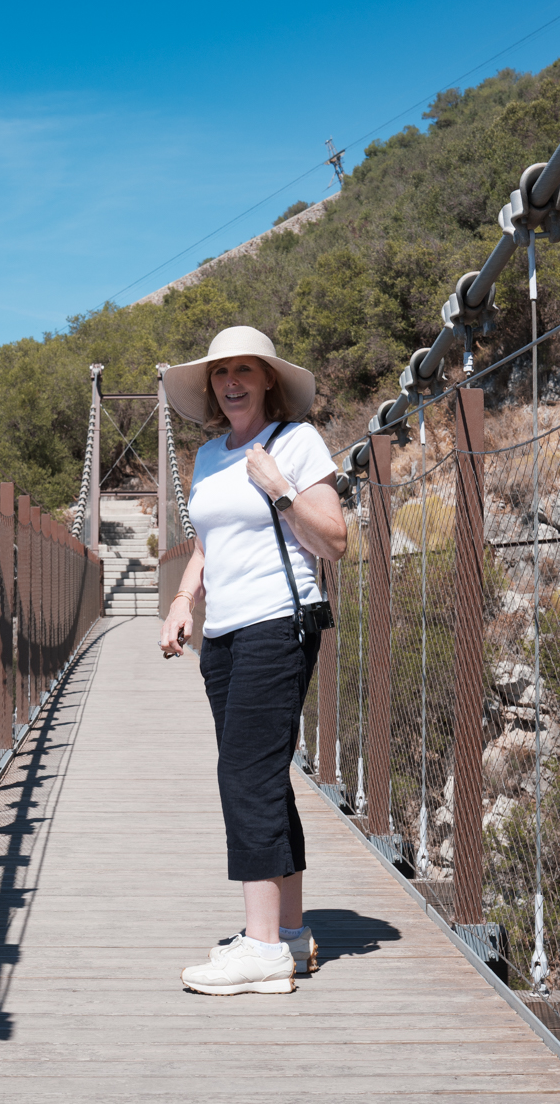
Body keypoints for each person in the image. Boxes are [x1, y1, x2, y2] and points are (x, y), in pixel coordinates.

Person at [160, 325, 347, 996]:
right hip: (227, 638)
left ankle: (261, 947)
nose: (232, 380)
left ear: (269, 379)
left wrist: (281, 488)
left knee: (244, 774)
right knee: (263, 774)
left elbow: (335, 541)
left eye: (245, 369)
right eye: (219, 372)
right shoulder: (209, 454)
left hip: (279, 626)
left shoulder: (294, 444)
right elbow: (211, 539)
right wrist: (185, 598)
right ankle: (289, 935)